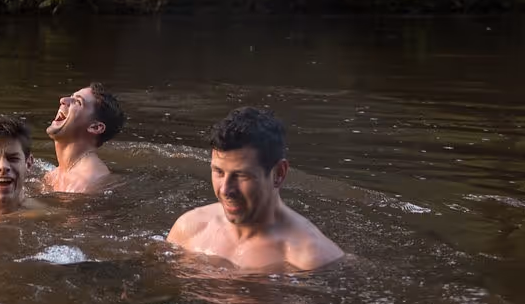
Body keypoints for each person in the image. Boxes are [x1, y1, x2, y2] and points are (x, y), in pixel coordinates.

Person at [167, 107, 344, 271]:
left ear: (279, 174)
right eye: (218, 172)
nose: (226, 190)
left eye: (241, 175)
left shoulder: (311, 259)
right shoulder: (190, 229)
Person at [43, 82, 126, 194]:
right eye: (71, 97)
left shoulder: (89, 182)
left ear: (95, 127)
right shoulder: (51, 176)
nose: (63, 100)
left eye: (78, 102)